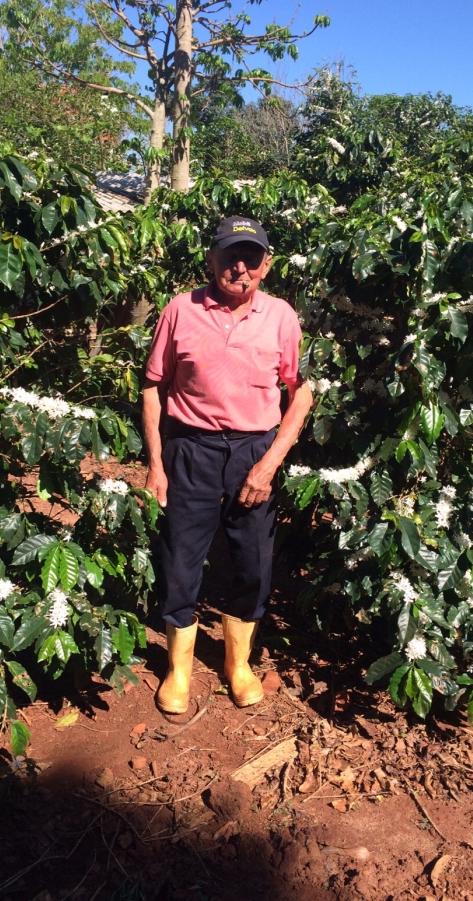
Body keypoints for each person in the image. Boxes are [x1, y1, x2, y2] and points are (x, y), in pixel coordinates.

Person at [142, 216, 313, 714]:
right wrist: (155, 462)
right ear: (210, 259)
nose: (241, 267)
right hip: (190, 448)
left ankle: (237, 664)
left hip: (253, 451)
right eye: (230, 256)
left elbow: (300, 393)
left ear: (267, 264)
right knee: (180, 558)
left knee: (253, 562)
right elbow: (153, 385)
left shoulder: (281, 316)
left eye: (251, 258)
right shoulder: (180, 310)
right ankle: (178, 669)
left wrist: (269, 463)